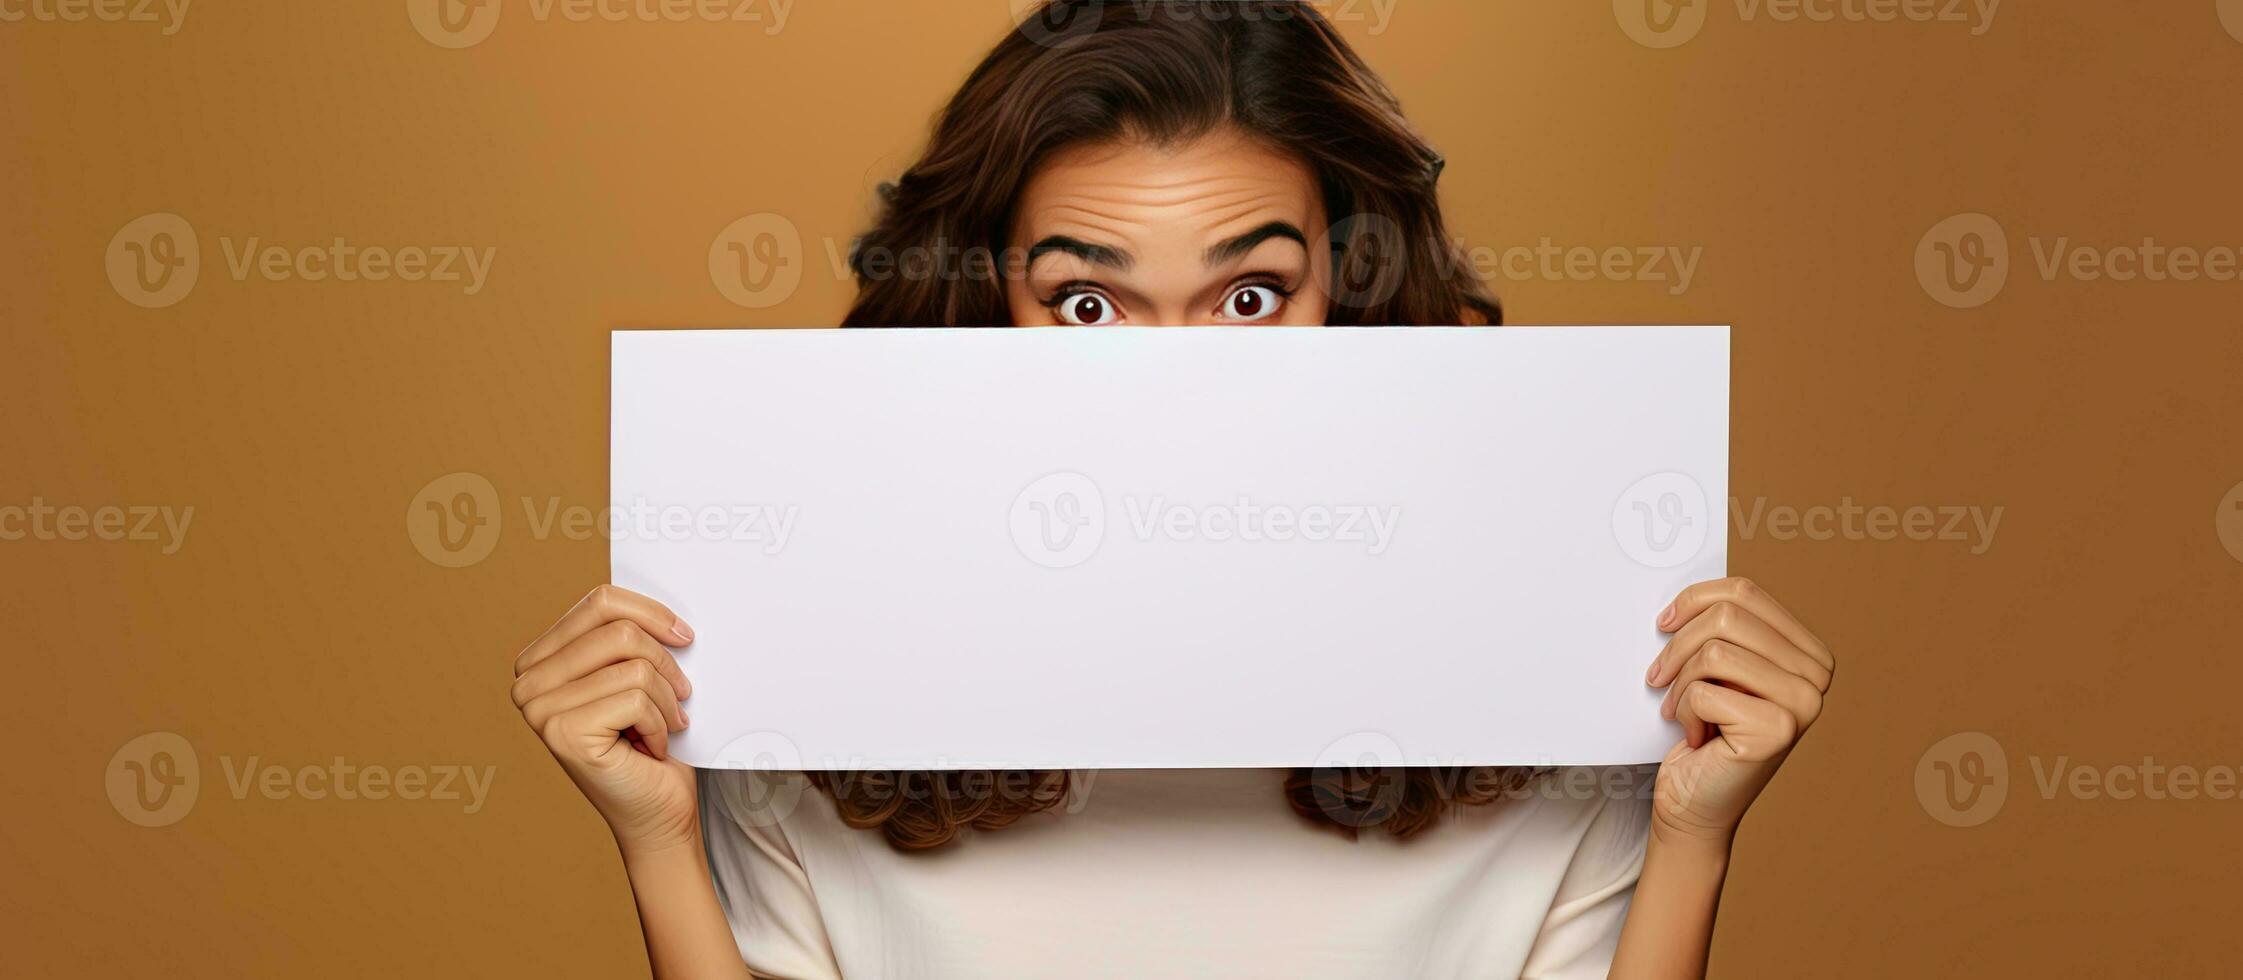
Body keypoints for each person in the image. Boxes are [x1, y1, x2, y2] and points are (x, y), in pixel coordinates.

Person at [508, 3, 1835, 976]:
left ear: (1353, 302)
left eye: (1250, 296)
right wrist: (659, 842)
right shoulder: (818, 745)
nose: (1174, 379)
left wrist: (1691, 839)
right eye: (1087, 301)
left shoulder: (1545, 734)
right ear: (984, 316)